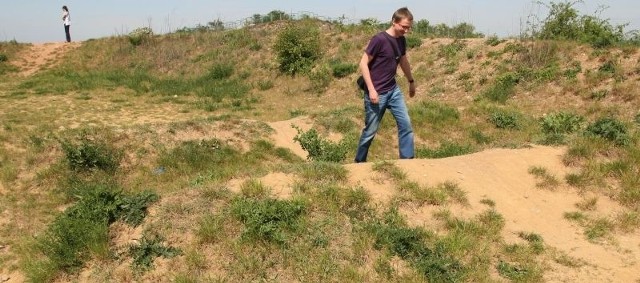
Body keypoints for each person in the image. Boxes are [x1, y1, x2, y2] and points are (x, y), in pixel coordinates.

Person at [354, 7, 416, 163]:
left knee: (406, 124)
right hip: (377, 93)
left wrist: (411, 81)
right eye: (404, 27)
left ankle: (407, 161)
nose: (406, 30)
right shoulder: (379, 40)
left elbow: (403, 61)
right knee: (370, 131)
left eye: (408, 27)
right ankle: (359, 163)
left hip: (393, 90)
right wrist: (372, 90)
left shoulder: (401, 40)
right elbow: (363, 63)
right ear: (394, 22)